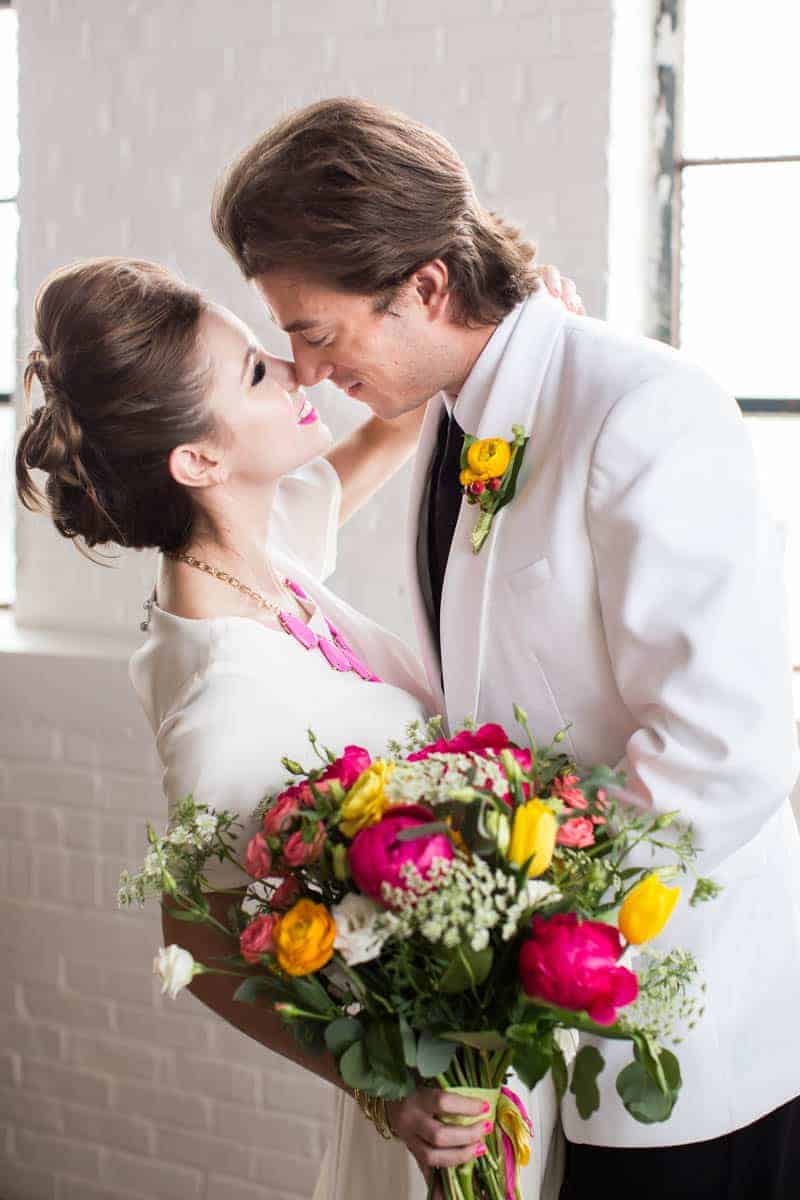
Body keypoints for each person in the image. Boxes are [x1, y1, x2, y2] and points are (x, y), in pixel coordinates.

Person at [211, 97, 800, 1199]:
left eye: (316, 332)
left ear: (426, 286)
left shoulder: (642, 408)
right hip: (547, 1056)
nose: (303, 369)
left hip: (690, 1038)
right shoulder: (452, 414)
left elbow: (726, 750)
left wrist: (507, 932)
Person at [15, 255, 578, 1200]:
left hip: (496, 1030)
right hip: (444, 1107)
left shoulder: (253, 546)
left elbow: (390, 431)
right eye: (255, 372)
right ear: (199, 461)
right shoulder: (219, 691)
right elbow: (195, 940)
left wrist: (512, 336)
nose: (295, 369)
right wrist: (387, 1092)